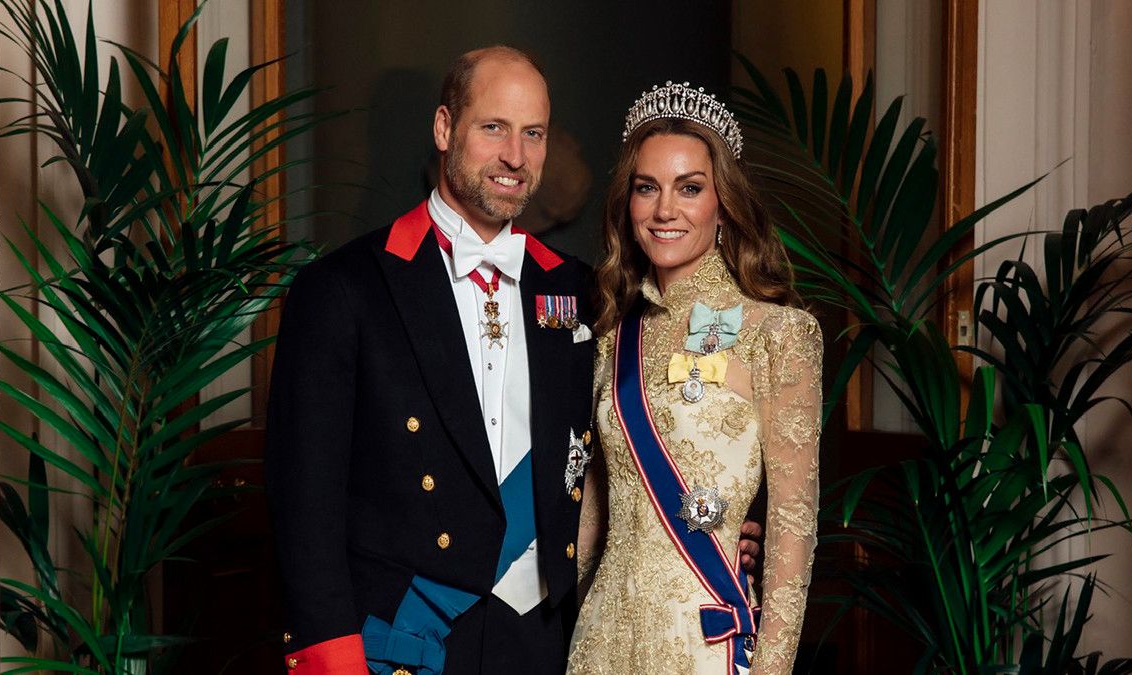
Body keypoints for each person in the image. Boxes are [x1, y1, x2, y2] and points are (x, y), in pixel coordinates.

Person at [265, 50, 761, 675]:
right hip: (404, 640)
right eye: (493, 128)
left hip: (541, 641)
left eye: (534, 134)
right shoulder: (343, 290)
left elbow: (670, 417)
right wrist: (333, 661)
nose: (515, 157)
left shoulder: (583, 292)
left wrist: (729, 523)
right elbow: (303, 503)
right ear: (445, 129)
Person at [568, 82, 822, 674]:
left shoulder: (778, 334)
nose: (664, 210)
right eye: (646, 188)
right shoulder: (611, 333)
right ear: (626, 204)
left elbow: (792, 527)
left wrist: (773, 668)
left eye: (689, 188)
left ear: (723, 202)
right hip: (601, 640)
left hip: (704, 645)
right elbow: (593, 511)